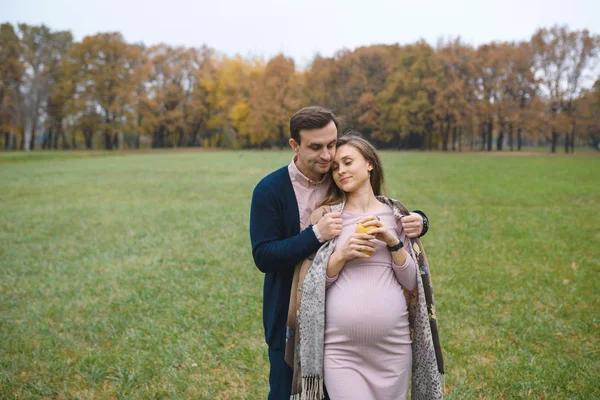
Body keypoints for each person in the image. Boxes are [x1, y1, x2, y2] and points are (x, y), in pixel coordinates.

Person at [249, 107, 430, 400]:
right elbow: (264, 256)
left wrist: (419, 219)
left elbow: (379, 204)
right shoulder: (269, 190)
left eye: (331, 145)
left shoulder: (340, 179)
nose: (327, 156)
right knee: (286, 394)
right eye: (316, 147)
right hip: (290, 312)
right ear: (295, 145)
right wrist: (316, 234)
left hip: (347, 331)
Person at [287, 132, 443, 400]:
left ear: (369, 163)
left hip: (393, 349)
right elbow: (311, 286)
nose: (341, 171)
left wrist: (394, 243)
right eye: (335, 167)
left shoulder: (398, 216)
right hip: (340, 350)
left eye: (348, 162)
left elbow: (411, 283)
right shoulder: (327, 217)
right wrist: (342, 255)